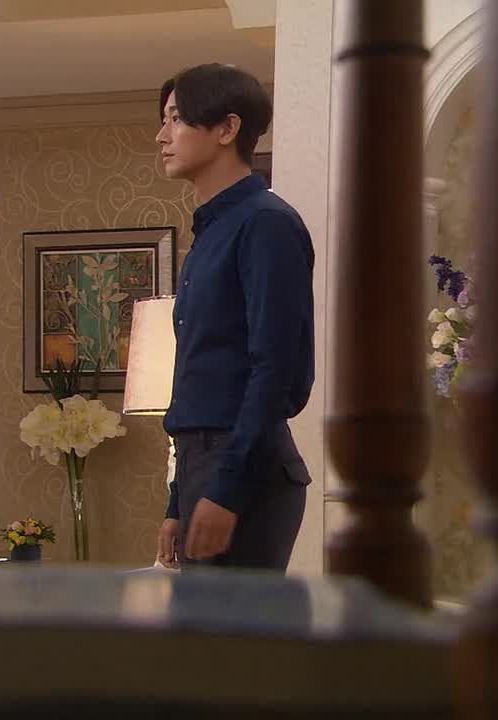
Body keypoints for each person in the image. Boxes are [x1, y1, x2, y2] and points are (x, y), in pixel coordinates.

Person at [154, 64, 314, 571]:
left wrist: (227, 489)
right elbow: (198, 377)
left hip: (246, 470)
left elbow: (275, 367)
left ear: (227, 128)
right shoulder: (211, 231)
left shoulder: (265, 223)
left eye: (177, 119)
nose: (162, 136)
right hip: (202, 464)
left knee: (232, 626)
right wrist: (178, 502)